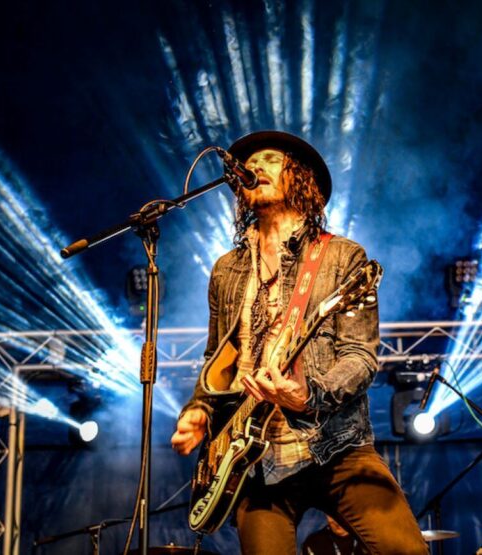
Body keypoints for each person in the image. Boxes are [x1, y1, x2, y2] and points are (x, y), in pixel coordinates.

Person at [171, 130, 428, 555]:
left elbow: (361, 356)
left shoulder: (342, 257)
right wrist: (199, 410)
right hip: (253, 463)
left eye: (271, 159)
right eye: (250, 163)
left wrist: (310, 396)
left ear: (302, 177)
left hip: (336, 446)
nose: (255, 166)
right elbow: (219, 358)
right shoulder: (227, 270)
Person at [301, 515, 367, 555]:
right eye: (332, 515)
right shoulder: (313, 542)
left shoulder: (369, 540)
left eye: (341, 515)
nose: (338, 522)